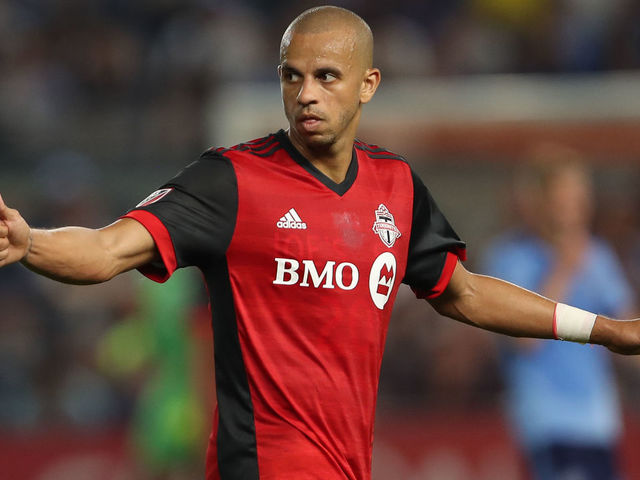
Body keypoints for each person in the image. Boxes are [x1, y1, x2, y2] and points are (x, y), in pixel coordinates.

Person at [0, 6, 639, 480]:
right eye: (292, 76)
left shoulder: (397, 187)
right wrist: (30, 243)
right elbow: (109, 250)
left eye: (327, 77)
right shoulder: (231, 181)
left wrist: (605, 330)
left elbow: (464, 294)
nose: (305, 94)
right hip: (263, 465)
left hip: (347, 465)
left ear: (368, 84)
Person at [483, 149, 634, 480]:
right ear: (540, 201)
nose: (576, 207)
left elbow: (627, 332)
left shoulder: (597, 256)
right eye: (566, 196)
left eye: (580, 196)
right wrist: (564, 267)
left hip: (600, 423)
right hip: (549, 423)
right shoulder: (510, 258)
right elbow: (522, 340)